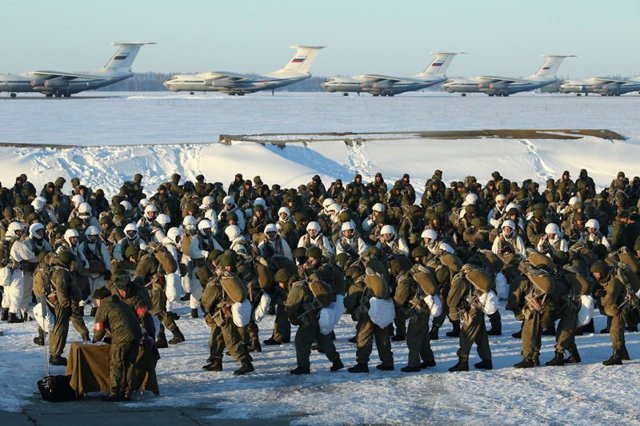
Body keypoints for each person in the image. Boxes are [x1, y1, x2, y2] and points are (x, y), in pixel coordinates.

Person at [92, 286, 143, 402]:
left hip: (122, 337)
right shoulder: (121, 303)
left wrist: (95, 339)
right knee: (130, 363)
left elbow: (99, 327)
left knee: (117, 363)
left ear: (100, 299)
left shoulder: (104, 306)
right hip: (136, 335)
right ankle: (127, 392)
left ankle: (114, 392)